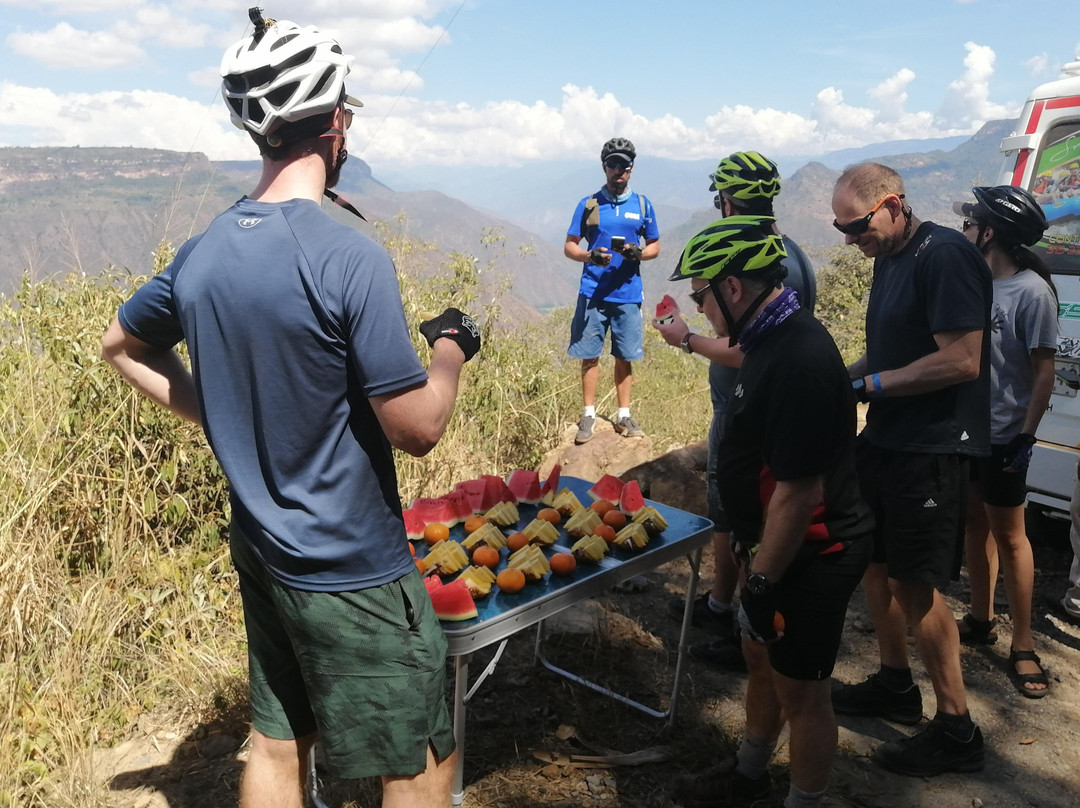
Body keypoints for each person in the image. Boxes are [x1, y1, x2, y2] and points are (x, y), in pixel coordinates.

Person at [100, 11, 474, 808]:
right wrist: (450, 348)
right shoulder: (348, 256)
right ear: (337, 123)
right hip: (352, 564)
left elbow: (121, 346)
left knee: (275, 744)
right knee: (418, 755)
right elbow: (418, 429)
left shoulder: (203, 250)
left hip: (262, 548)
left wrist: (229, 417)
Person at [668, 217, 872, 808]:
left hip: (813, 551)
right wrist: (747, 546)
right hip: (772, 545)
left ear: (732, 289)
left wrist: (761, 578)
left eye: (699, 293)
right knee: (761, 661)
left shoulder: (798, 357)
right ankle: (750, 773)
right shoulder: (766, 339)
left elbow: (799, 492)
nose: (698, 307)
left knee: (804, 693)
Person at [830, 163, 991, 776]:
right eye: (840, 228)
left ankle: (956, 730)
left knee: (916, 586)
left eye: (857, 225)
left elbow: (962, 360)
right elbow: (891, 349)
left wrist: (870, 385)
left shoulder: (943, 256)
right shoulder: (889, 255)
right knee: (875, 565)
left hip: (932, 445)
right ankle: (895, 684)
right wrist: (842, 378)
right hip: (890, 438)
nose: (850, 239)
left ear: (892, 205)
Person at [657, 151, 817, 672]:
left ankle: (742, 627)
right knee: (733, 511)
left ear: (727, 200)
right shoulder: (790, 251)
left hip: (749, 411)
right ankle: (725, 605)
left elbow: (752, 347)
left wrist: (688, 339)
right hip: (744, 405)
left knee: (741, 514)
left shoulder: (763, 261)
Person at [952, 185, 1058, 699]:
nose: (966, 231)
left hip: (1005, 433)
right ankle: (979, 615)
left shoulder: (1031, 293)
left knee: (1012, 535)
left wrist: (1026, 436)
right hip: (970, 430)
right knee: (976, 525)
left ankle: (1023, 643)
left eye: (972, 224)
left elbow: (1043, 374)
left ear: (989, 233)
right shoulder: (974, 283)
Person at [564, 137, 660, 443]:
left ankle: (623, 416)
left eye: (624, 165)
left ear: (632, 169)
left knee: (625, 356)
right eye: (613, 164)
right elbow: (570, 246)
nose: (618, 170)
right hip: (593, 291)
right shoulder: (590, 204)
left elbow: (655, 245)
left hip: (628, 293)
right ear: (604, 167)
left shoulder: (642, 205)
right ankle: (588, 415)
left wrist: (640, 254)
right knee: (590, 355)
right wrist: (589, 256)